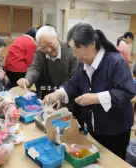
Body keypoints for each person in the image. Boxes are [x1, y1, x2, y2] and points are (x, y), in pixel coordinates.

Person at [44, 23, 135, 160]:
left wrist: (96, 98)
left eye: (77, 49)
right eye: (72, 49)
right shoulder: (83, 63)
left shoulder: (115, 62)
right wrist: (59, 93)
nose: (74, 54)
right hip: (94, 126)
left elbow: (127, 92)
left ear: (92, 44)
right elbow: (74, 83)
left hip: (115, 129)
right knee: (96, 160)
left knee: (113, 165)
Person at [17, 25, 78, 100]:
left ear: (57, 38)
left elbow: (75, 77)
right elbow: (35, 67)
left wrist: (61, 94)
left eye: (50, 45)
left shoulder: (71, 51)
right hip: (47, 94)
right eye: (43, 47)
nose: (48, 50)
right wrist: (27, 80)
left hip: (66, 95)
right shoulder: (40, 51)